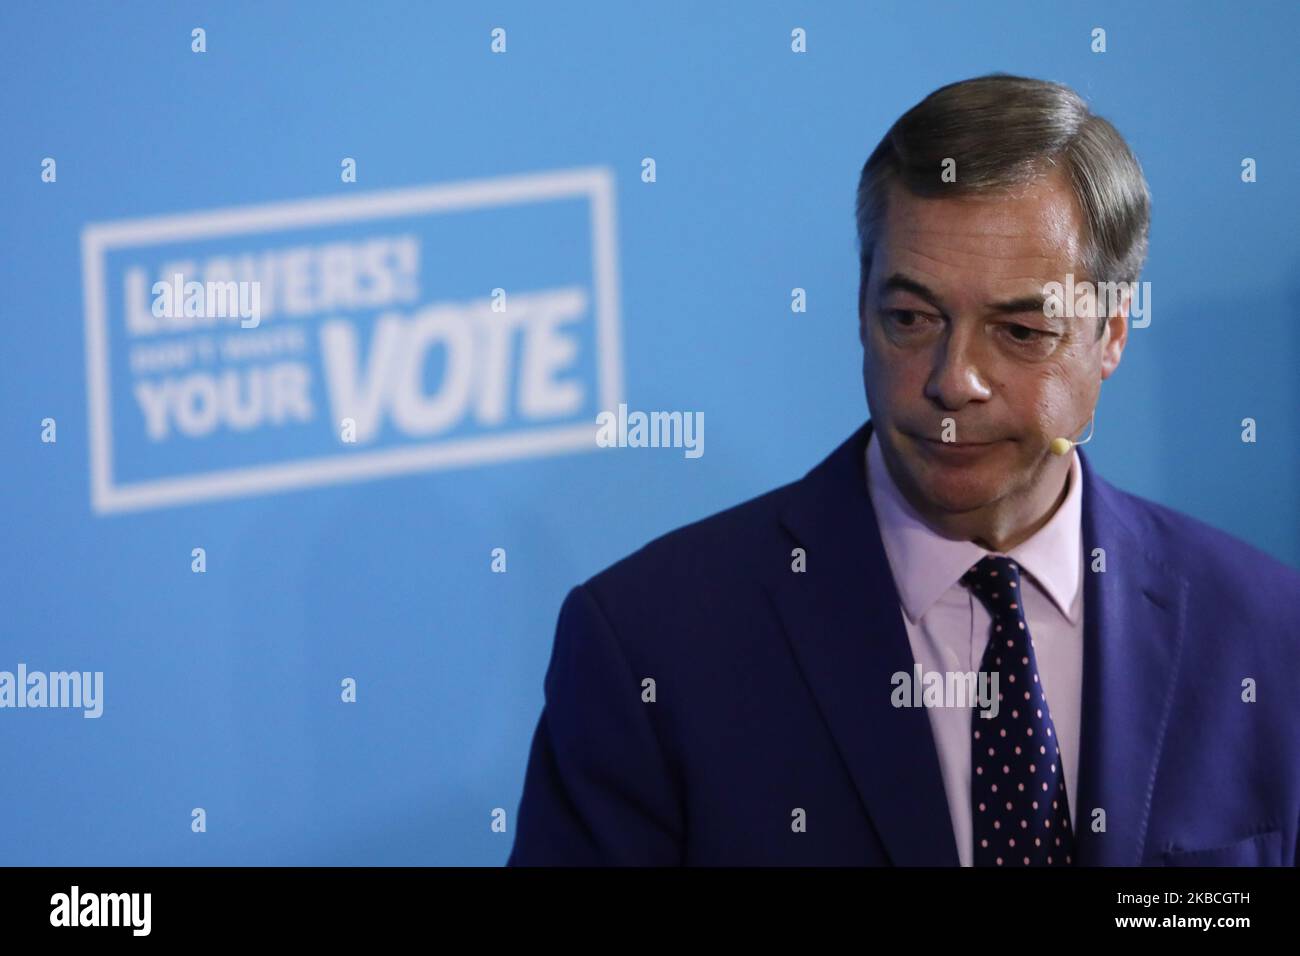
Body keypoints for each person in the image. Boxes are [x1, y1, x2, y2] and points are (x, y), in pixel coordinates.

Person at [507, 74, 1300, 866]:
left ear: (1112, 336)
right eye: (912, 319)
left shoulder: (1267, 634)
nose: (953, 380)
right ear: (860, 310)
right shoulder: (650, 647)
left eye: (1021, 330)